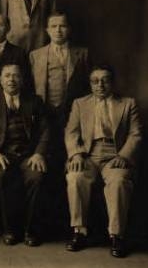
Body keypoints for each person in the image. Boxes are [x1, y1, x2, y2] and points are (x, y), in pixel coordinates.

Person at [65, 64, 142, 258]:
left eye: (105, 80)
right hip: (88, 155)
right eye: (95, 81)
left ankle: (117, 235)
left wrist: (124, 156)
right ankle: (79, 232)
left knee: (118, 182)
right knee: (75, 178)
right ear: (90, 84)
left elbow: (135, 134)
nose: (100, 85)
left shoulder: (127, 103)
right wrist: (75, 154)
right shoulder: (80, 103)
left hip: (115, 155)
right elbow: (71, 132)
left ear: (112, 83)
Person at [0, 64, 49, 246]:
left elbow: (46, 130)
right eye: (7, 76)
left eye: (16, 76)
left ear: (22, 80)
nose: (11, 80)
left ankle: (30, 230)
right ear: (0, 81)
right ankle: (9, 229)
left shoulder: (34, 101)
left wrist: (39, 154)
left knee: (36, 177)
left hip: (28, 155)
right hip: (3, 155)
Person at [29, 12, 90, 228]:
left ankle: (71, 222)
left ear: (69, 29)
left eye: (62, 26)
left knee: (70, 163)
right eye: (53, 26)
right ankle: (47, 221)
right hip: (45, 116)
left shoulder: (82, 54)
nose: (58, 30)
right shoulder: (35, 55)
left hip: (72, 116)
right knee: (46, 163)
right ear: (47, 31)